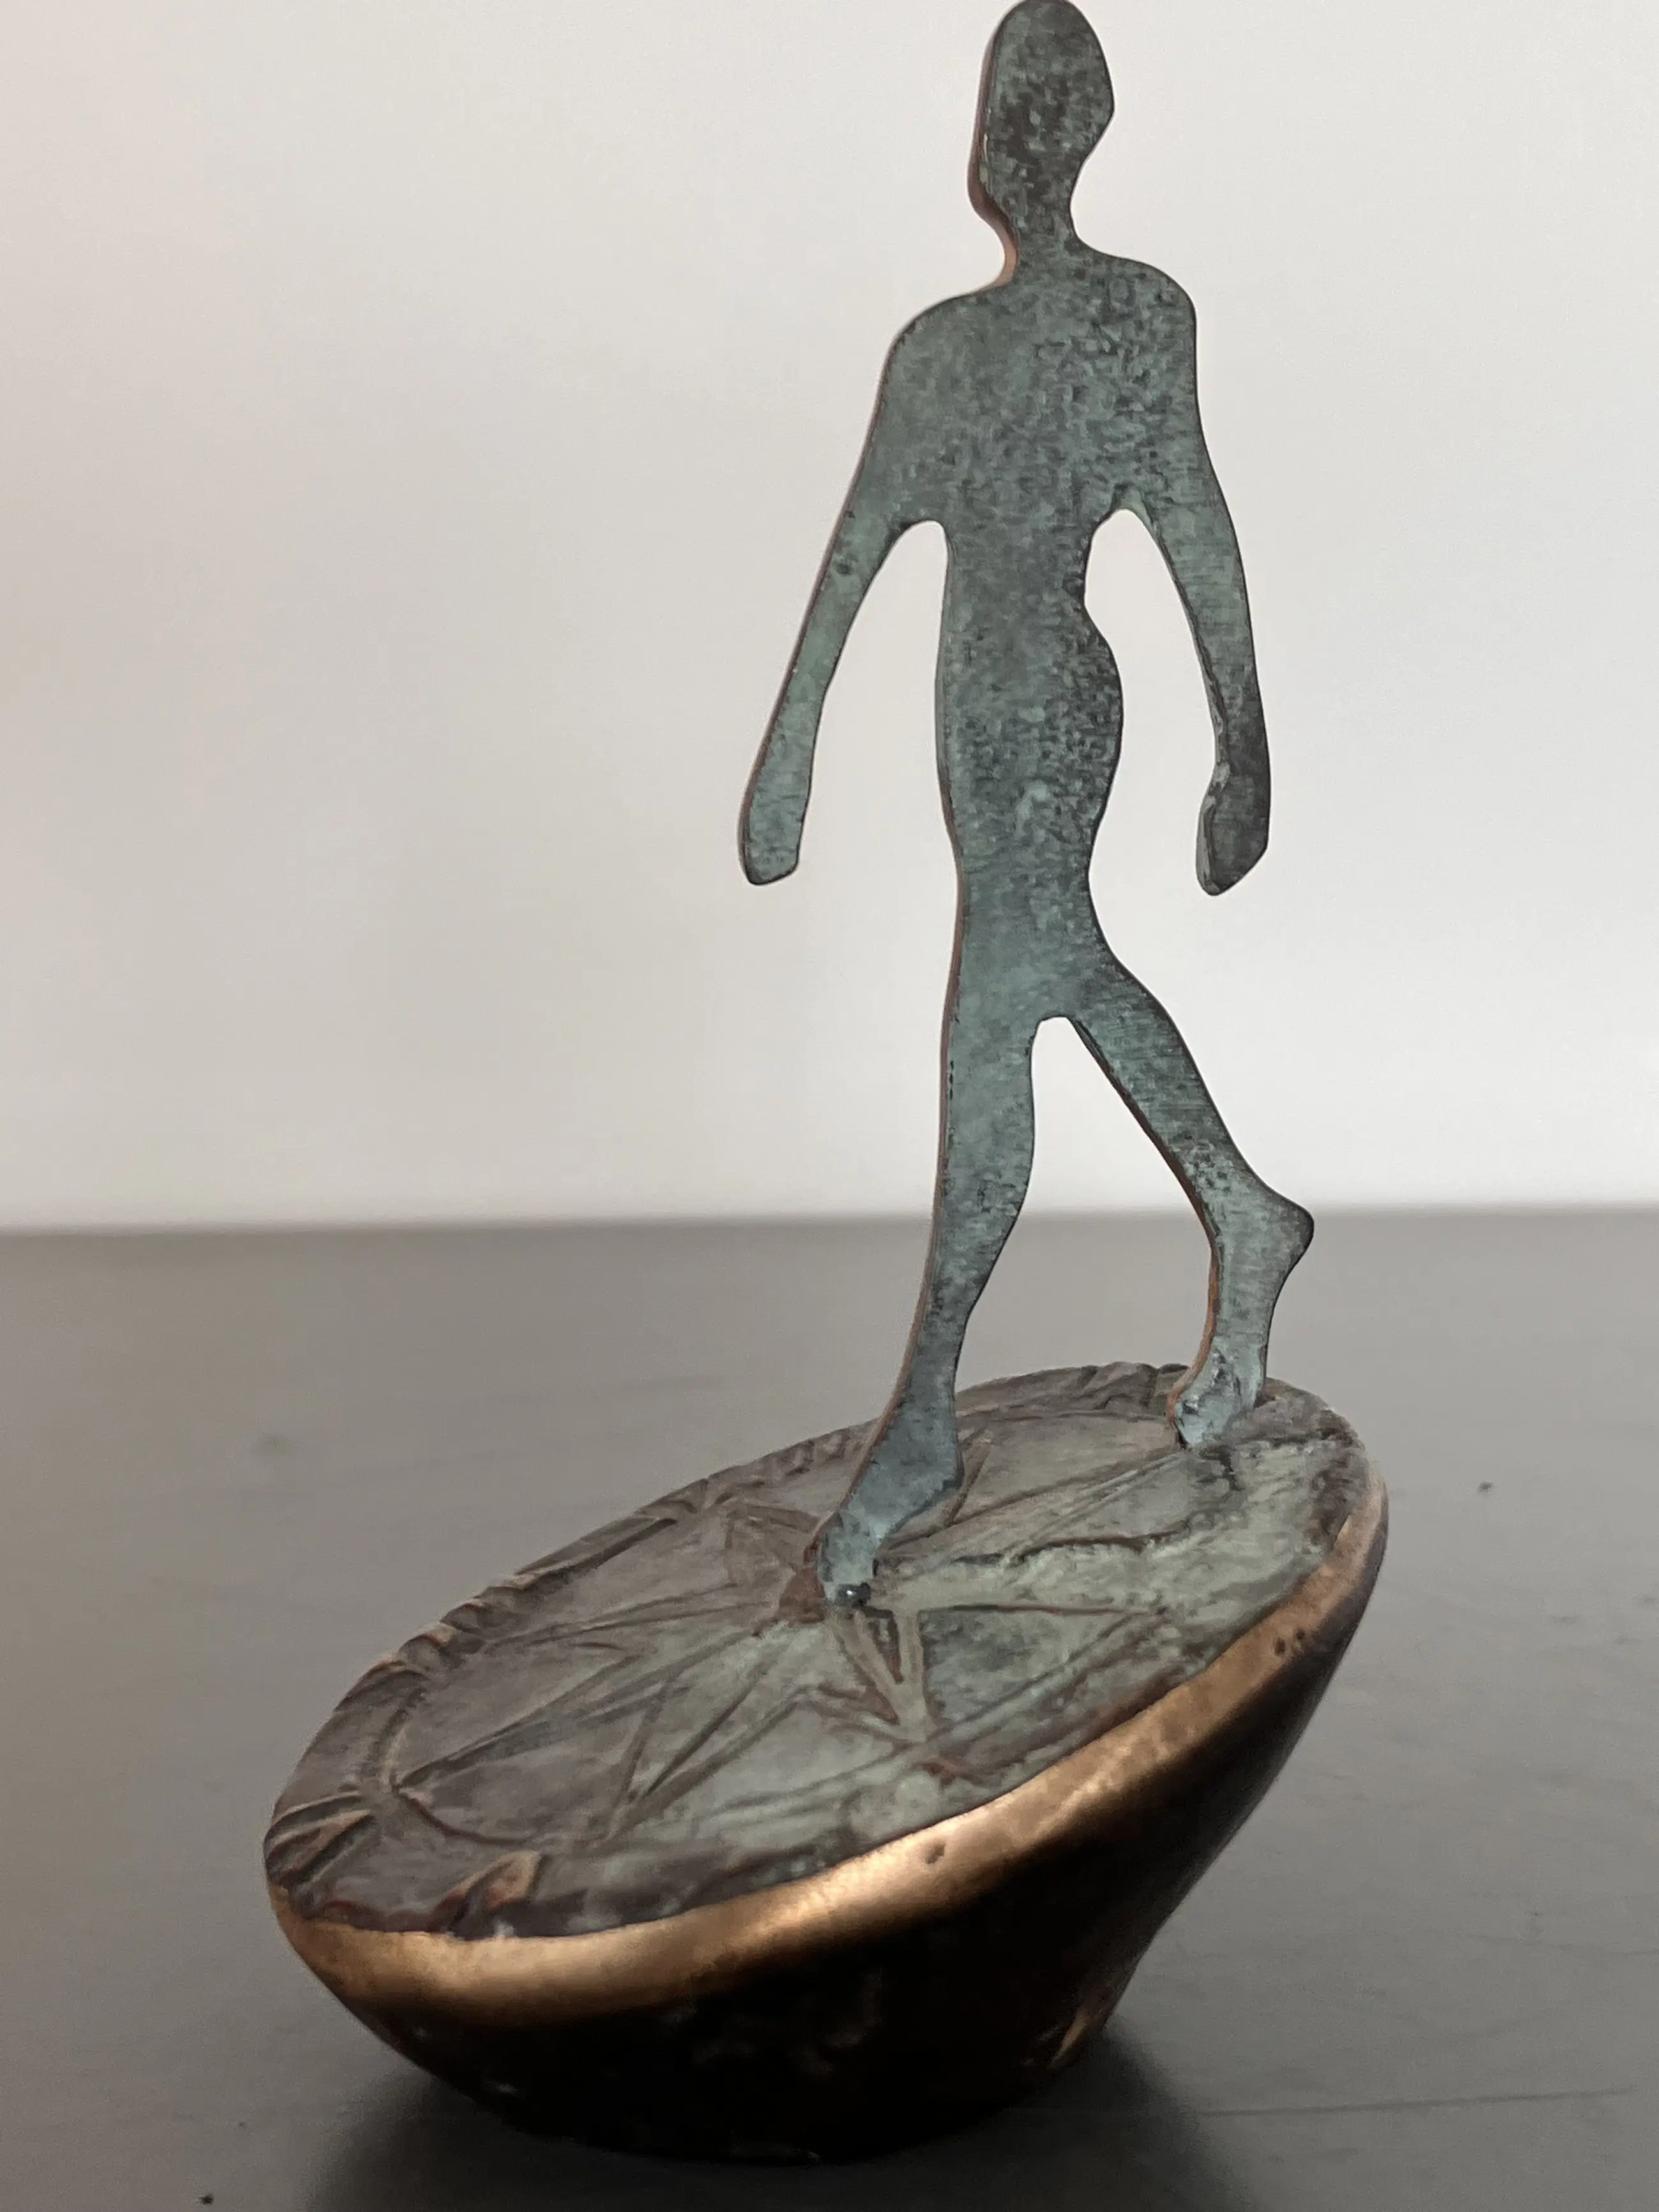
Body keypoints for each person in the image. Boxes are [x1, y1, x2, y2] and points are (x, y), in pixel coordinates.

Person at [741, 0, 1311, 1607]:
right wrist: (789, 748)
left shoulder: (1140, 316)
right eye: (1006, 103)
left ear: (1081, 129)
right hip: (972, 705)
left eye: (1043, 104)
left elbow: (1192, 520)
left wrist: (1244, 740)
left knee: (997, 1002)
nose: (1017, 134)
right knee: (1049, 974)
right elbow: (859, 549)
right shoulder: (938, 349)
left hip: (1059, 686)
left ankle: (924, 1415)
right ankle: (1242, 1210)